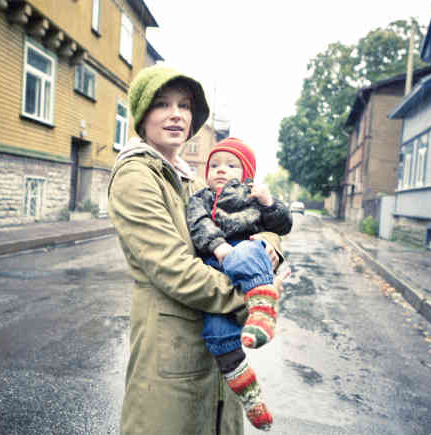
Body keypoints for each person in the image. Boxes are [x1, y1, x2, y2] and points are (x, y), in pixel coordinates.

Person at [107, 64, 286, 435]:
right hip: (170, 346)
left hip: (210, 347)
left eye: (184, 106)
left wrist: (270, 245)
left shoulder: (191, 180)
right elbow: (173, 269)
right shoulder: (136, 177)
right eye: (162, 105)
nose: (176, 115)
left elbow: (249, 221)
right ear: (142, 116)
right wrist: (250, 297)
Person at [186, 137, 293, 431]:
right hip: (217, 261)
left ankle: (263, 305)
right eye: (215, 165)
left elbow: (281, 226)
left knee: (245, 252)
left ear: (246, 174)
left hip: (247, 254)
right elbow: (198, 223)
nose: (221, 170)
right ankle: (249, 394)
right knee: (217, 333)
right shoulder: (203, 197)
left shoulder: (253, 198)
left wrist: (268, 203)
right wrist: (219, 247)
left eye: (231, 165)